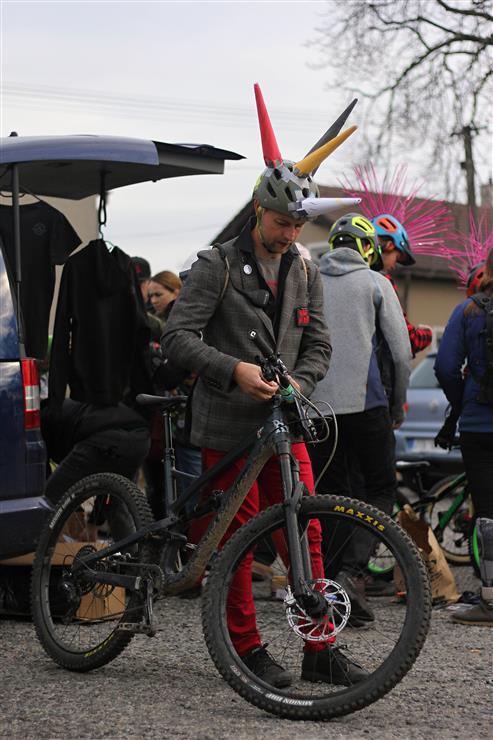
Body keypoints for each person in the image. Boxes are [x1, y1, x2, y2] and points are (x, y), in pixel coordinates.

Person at [162, 83, 366, 687]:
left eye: (298, 224)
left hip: (285, 422)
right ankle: (246, 649)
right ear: (259, 209)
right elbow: (176, 338)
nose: (290, 234)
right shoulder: (216, 265)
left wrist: (296, 382)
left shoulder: (305, 267)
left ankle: (320, 648)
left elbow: (320, 346)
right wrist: (233, 370)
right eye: (281, 222)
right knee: (235, 541)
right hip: (228, 427)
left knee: (308, 529)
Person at [309, 213, 412, 625]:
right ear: (368, 249)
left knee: (332, 497)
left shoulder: (310, 280)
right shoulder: (376, 282)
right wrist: (397, 406)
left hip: (319, 410)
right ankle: (351, 576)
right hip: (367, 405)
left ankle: (331, 592)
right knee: (380, 489)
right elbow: (401, 354)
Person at [435, 247, 493, 626]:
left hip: (479, 426)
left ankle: (490, 599)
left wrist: (463, 402)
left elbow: (445, 366)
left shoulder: (469, 310)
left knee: (487, 511)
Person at [41, 399, 150, 506]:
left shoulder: (38, 422)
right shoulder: (65, 407)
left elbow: (41, 473)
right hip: (141, 439)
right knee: (116, 504)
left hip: (104, 438)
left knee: (49, 498)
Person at [371, 213, 433, 356]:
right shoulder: (382, 283)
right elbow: (407, 340)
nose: (394, 265)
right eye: (397, 257)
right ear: (389, 246)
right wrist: (427, 333)